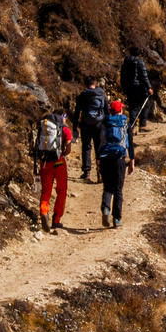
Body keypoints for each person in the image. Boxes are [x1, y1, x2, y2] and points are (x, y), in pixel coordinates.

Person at [29, 106, 72, 234]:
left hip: (45, 163)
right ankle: (56, 220)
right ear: (62, 117)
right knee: (62, 191)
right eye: (65, 117)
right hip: (59, 163)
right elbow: (68, 149)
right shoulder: (65, 129)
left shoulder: (44, 127)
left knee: (46, 192)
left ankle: (44, 211)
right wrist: (62, 154)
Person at [98, 97, 135, 229]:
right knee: (118, 189)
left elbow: (99, 141)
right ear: (120, 110)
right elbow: (130, 144)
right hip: (119, 159)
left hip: (105, 157)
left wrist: (98, 158)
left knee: (107, 187)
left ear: (110, 111)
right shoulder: (126, 123)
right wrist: (132, 160)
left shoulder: (104, 122)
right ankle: (117, 218)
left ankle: (106, 208)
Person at [72, 78, 109, 183]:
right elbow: (107, 110)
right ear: (95, 84)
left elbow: (77, 112)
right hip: (99, 124)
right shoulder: (102, 94)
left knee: (86, 147)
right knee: (99, 148)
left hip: (85, 124)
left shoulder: (82, 95)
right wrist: (107, 125)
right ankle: (100, 173)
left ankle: (86, 172)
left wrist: (75, 127)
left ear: (85, 84)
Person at [120, 46, 158, 132]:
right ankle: (142, 125)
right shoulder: (139, 62)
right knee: (146, 104)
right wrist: (149, 87)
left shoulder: (125, 62)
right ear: (139, 53)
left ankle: (132, 127)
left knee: (133, 107)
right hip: (139, 87)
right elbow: (144, 76)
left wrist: (124, 87)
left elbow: (122, 76)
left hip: (129, 87)